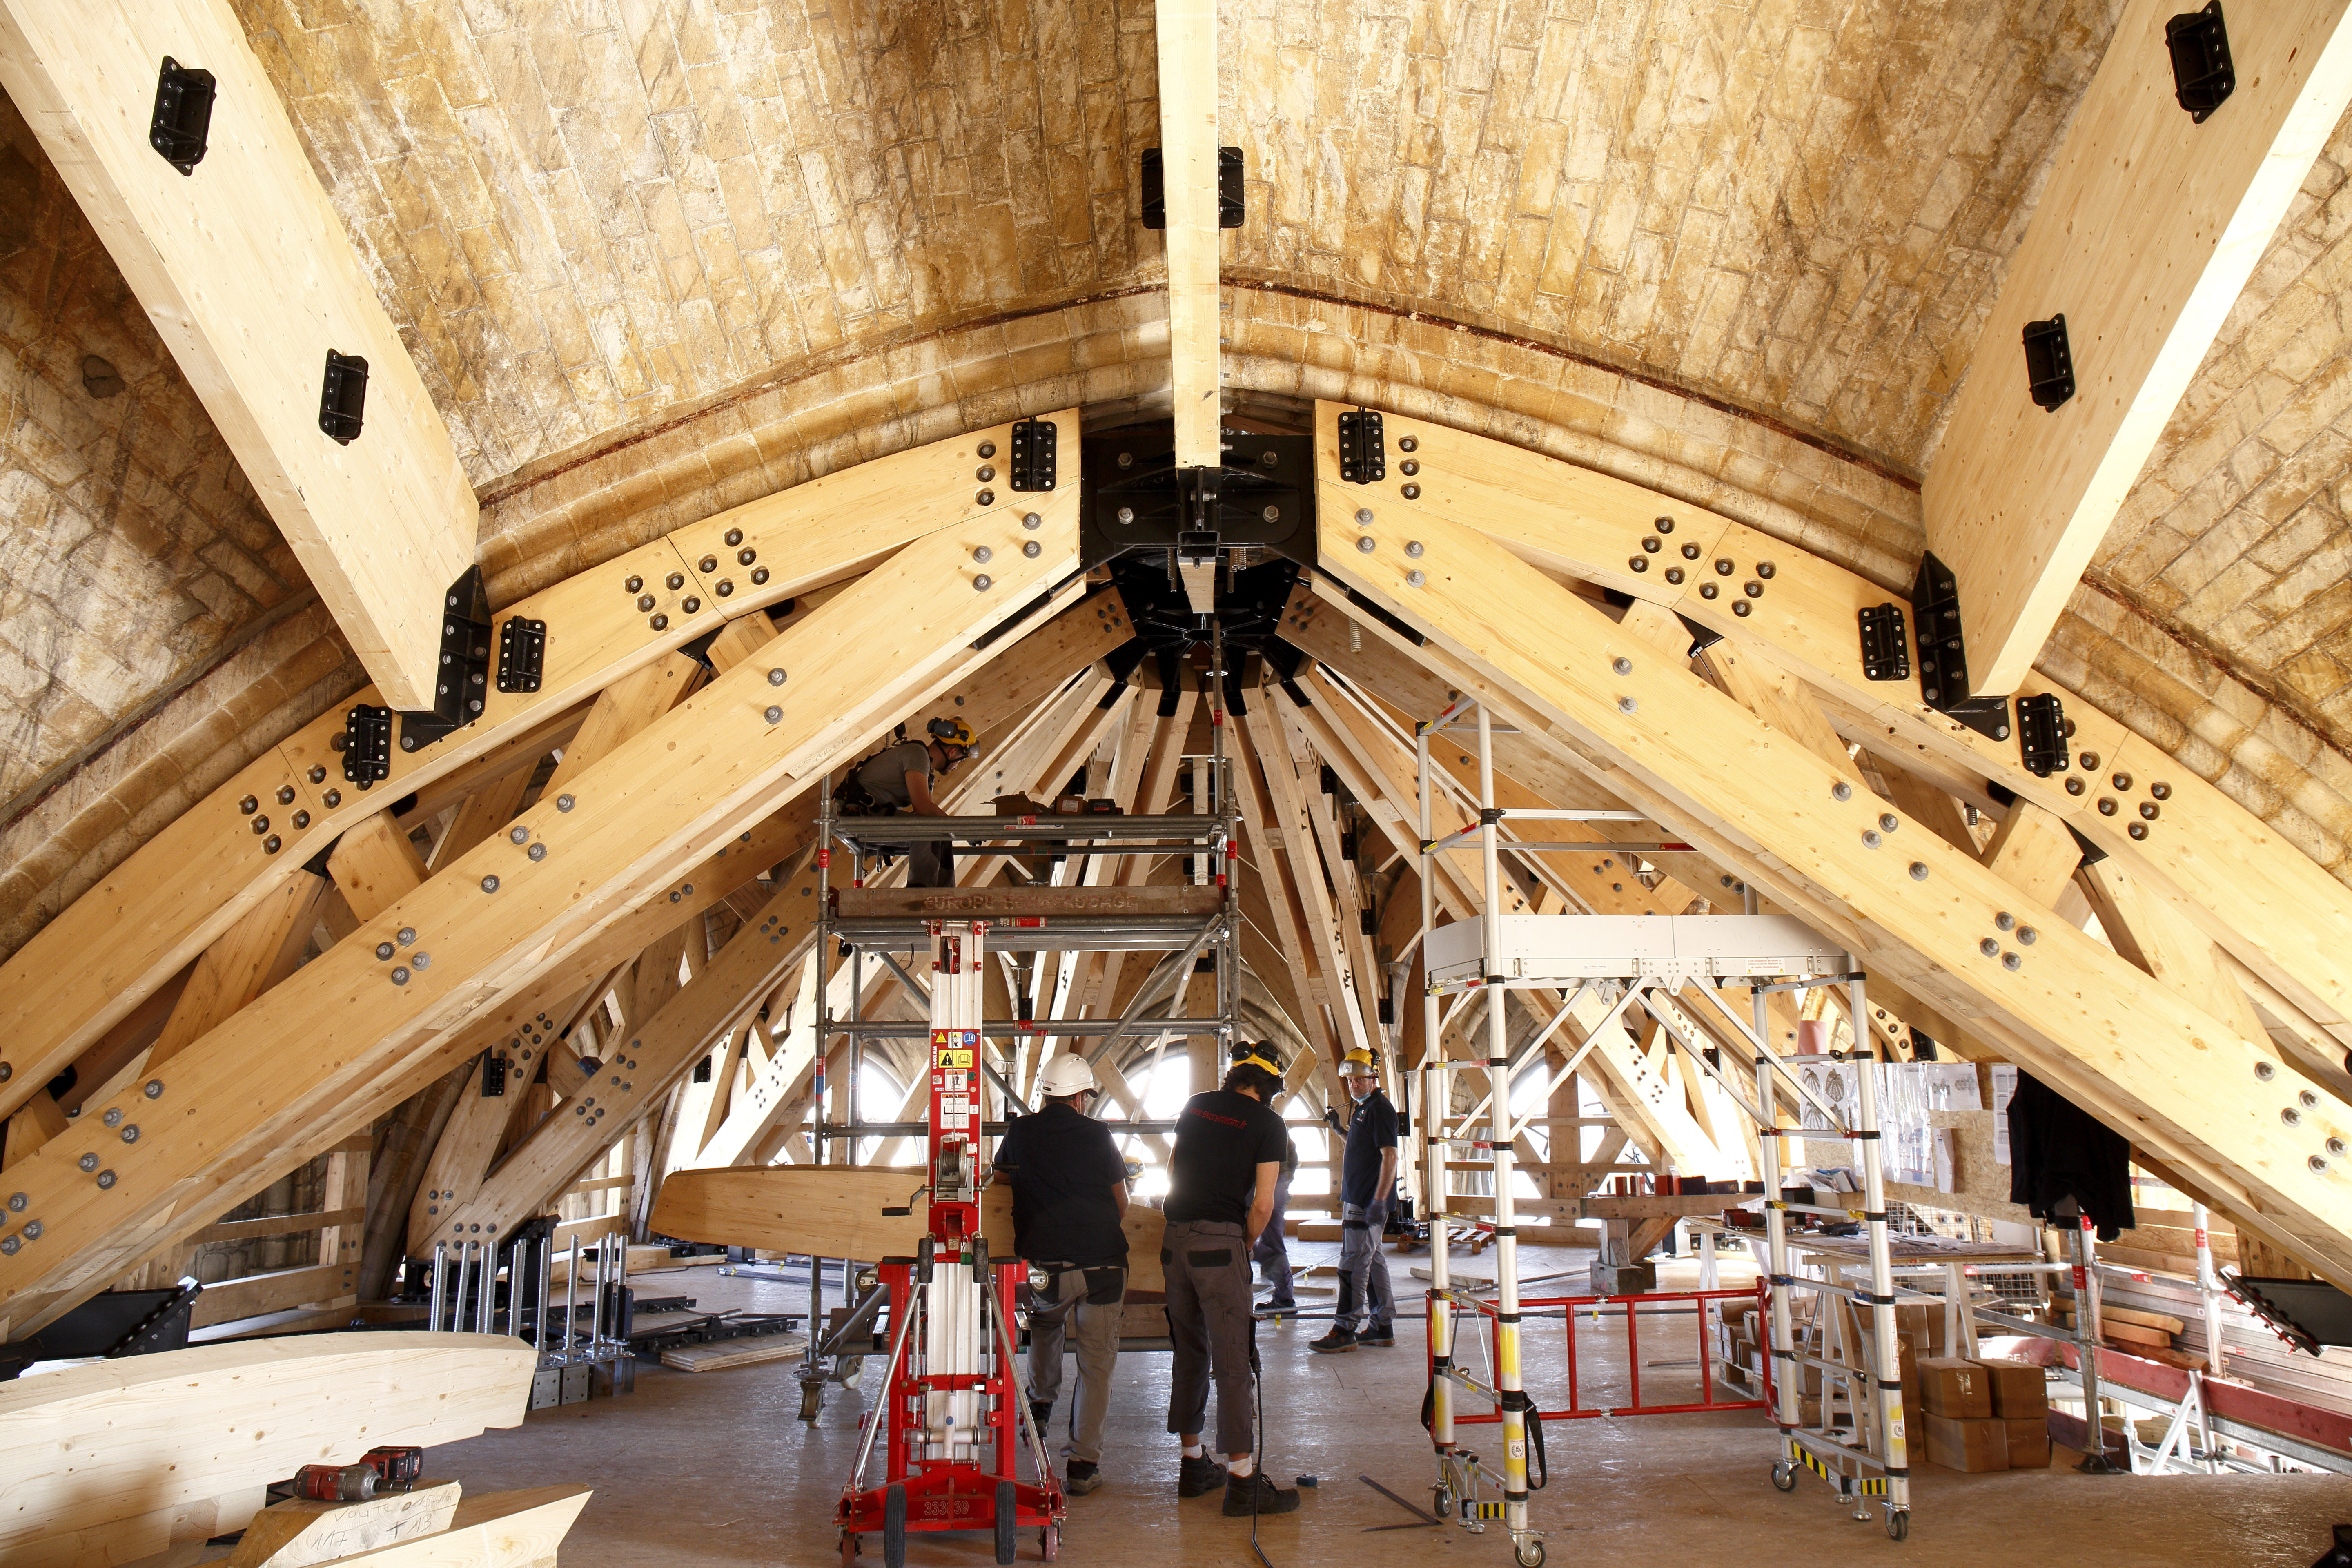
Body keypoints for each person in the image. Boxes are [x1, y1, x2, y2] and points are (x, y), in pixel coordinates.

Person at [1163, 1041, 1301, 1518]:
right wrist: (1241, 1244)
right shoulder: (1268, 1124)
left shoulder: (1197, 1105)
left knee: (1190, 1352)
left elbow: (1172, 1170)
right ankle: (1243, 1483)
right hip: (1219, 1246)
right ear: (1269, 1086)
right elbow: (1263, 1204)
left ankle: (1193, 1464)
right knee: (1234, 1362)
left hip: (1173, 1242)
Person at [991, 1052, 1129, 1496]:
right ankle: (1083, 1466)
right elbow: (1121, 1202)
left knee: (1046, 1327)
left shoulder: (1021, 1132)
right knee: (1096, 1364)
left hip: (1044, 1264)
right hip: (1102, 1264)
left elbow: (999, 1179)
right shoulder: (1097, 1135)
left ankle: (1041, 1402)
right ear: (1080, 1097)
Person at [1312, 1047, 1398, 1353]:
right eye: (1350, 1081)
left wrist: (1379, 1200)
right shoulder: (1362, 1110)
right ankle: (1381, 1326)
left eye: (1360, 1080)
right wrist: (1339, 1129)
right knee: (1372, 1261)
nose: (1354, 1086)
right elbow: (1361, 1145)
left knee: (1352, 1264)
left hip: (1366, 1201)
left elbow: (1391, 1156)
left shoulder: (1380, 1109)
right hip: (1358, 1198)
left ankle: (1345, 1329)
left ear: (1373, 1078)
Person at [853, 717, 975, 886]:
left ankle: (944, 900)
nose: (957, 767)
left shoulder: (926, 768)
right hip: (859, 816)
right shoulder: (918, 756)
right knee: (926, 832)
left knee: (941, 834)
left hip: (869, 815)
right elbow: (923, 808)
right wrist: (966, 829)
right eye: (961, 760)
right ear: (953, 752)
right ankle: (922, 897)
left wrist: (955, 830)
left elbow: (929, 816)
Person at [1251, 1127, 1298, 1319]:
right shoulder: (1276, 1123)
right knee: (1274, 1243)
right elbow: (1293, 1154)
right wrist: (1286, 1181)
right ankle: (1285, 1298)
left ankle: (1235, 1299)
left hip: (1259, 1185)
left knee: (1238, 1237)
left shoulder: (1250, 1121)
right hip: (1279, 1184)